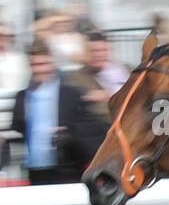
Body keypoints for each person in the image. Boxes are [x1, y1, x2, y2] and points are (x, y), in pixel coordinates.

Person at [6, 38, 108, 185]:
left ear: (52, 64)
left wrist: (68, 133)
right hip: (36, 170)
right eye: (35, 64)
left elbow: (92, 130)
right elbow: (17, 130)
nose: (40, 69)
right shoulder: (22, 97)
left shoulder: (70, 95)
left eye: (44, 64)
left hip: (67, 170)